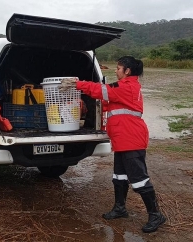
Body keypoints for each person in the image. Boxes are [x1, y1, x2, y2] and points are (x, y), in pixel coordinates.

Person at [58, 56, 166, 233]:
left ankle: (156, 215)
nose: (116, 71)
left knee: (139, 180)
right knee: (120, 177)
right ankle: (120, 208)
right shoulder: (128, 88)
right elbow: (109, 104)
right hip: (124, 140)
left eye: (118, 68)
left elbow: (102, 90)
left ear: (127, 71)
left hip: (131, 139)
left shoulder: (126, 86)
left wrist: (77, 84)